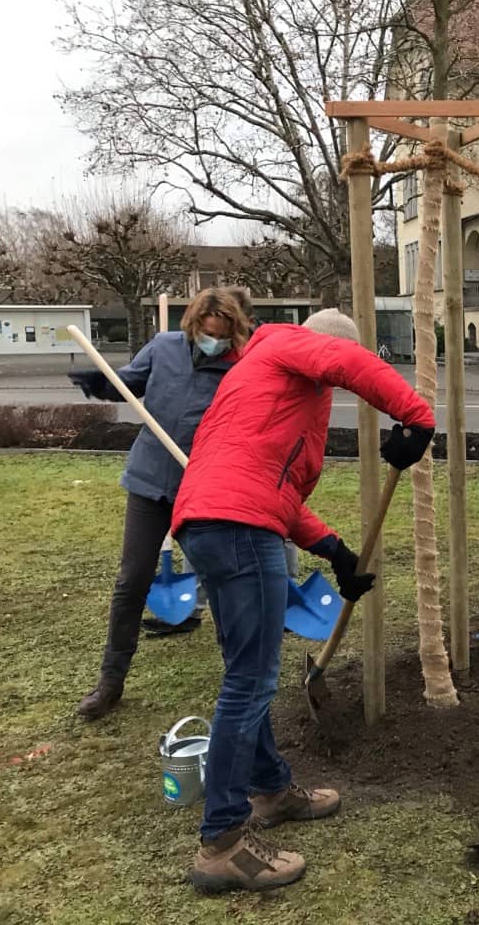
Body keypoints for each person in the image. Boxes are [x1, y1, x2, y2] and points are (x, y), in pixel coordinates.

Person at [171, 308, 434, 895]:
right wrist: (416, 419)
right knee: (251, 681)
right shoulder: (291, 345)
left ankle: (270, 790)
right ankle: (222, 844)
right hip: (237, 527)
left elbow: (273, 486)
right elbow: (344, 360)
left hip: (214, 522)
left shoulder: (260, 383)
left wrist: (335, 551)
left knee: (248, 673)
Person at [69, 287, 253, 720]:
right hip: (150, 481)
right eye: (206, 334)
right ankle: (110, 683)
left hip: (203, 487)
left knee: (222, 582)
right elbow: (130, 384)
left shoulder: (242, 367)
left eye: (222, 336)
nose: (214, 343)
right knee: (132, 580)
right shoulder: (165, 348)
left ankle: (239, 677)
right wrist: (104, 384)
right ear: (191, 327)